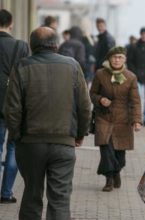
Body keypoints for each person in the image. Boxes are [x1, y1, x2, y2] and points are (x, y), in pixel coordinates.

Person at [4, 26, 91, 220]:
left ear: (31, 45)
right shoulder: (73, 66)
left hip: (30, 144)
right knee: (60, 199)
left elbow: (12, 109)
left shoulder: (22, 66)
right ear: (56, 44)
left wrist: (17, 136)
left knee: (31, 195)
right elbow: (85, 106)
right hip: (63, 143)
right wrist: (79, 135)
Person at [90, 46, 142, 192]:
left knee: (120, 155)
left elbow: (135, 101)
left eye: (120, 57)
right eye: (114, 57)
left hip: (123, 120)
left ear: (124, 59)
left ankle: (117, 172)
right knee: (106, 151)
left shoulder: (130, 77)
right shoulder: (100, 74)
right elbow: (92, 93)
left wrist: (137, 120)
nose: (117, 60)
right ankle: (109, 180)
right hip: (104, 117)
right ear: (109, 59)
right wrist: (100, 100)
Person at [0, 9, 29, 204]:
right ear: (11, 24)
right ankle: (6, 193)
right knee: (13, 148)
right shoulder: (21, 46)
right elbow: (27, 77)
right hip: (14, 104)